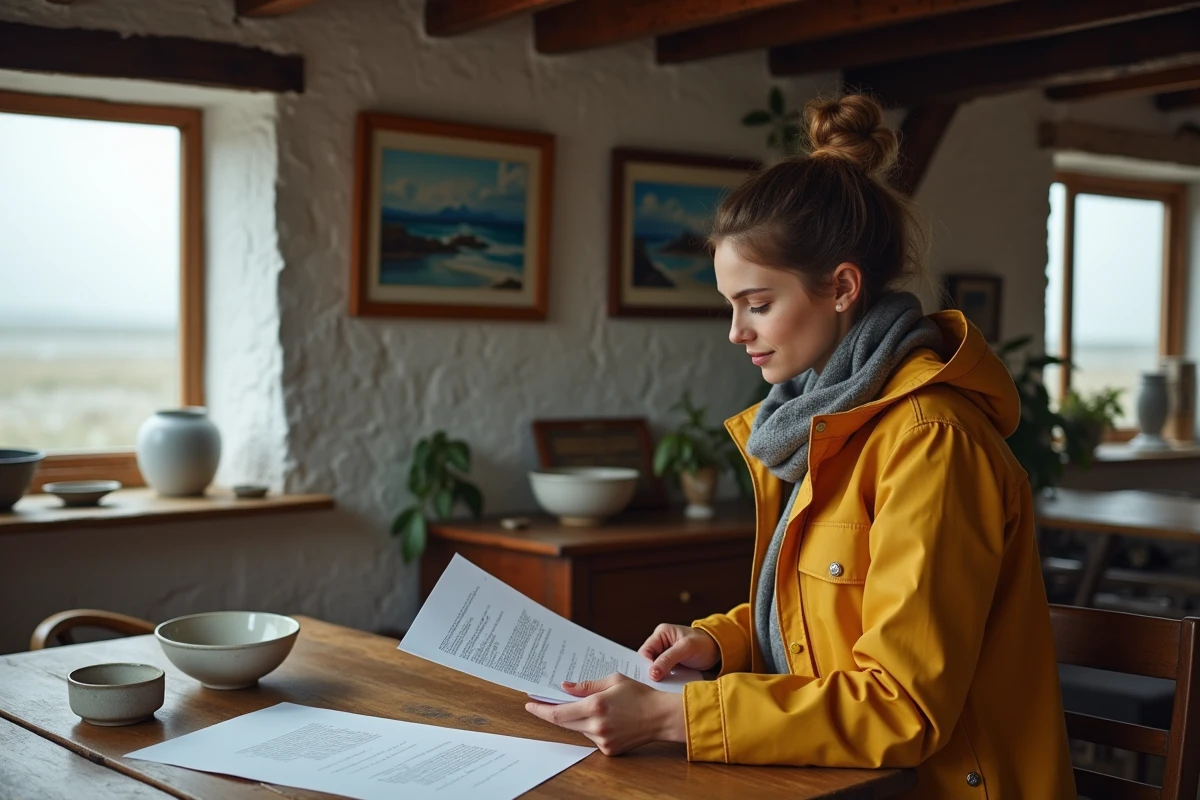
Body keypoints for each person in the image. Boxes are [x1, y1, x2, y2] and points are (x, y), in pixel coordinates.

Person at [524, 93, 1076, 798]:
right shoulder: (819, 422)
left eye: (757, 304)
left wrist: (677, 716)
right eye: (731, 307)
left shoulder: (929, 441)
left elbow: (902, 706)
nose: (737, 332)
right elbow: (826, 628)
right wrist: (721, 641)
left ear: (842, 287)